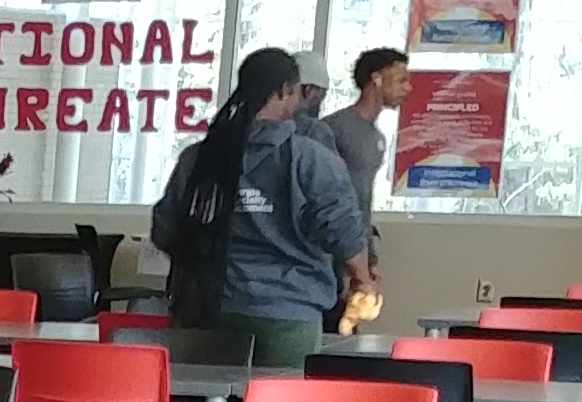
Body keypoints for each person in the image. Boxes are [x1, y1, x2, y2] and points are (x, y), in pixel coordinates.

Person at [149, 46, 372, 368]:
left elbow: (165, 229)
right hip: (287, 316)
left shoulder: (199, 157)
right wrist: (363, 279)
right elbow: (343, 231)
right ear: (285, 91)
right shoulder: (309, 158)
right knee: (277, 400)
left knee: (203, 400)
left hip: (208, 312)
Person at [316, 47, 408, 210]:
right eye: (401, 81)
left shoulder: (377, 136)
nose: (408, 88)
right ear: (377, 79)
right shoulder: (334, 128)